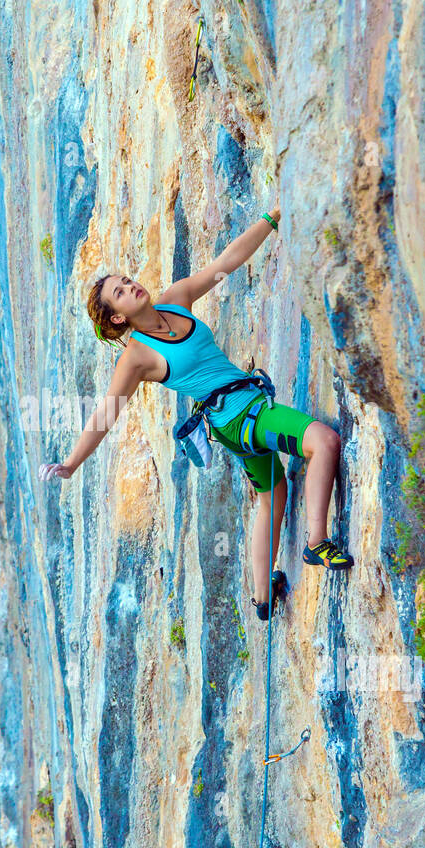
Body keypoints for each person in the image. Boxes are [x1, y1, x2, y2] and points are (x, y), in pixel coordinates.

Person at [38, 208, 353, 620]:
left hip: (234, 419)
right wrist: (71, 463)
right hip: (243, 417)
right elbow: (106, 412)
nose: (130, 286)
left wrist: (273, 218)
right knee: (323, 441)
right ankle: (316, 541)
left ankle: (261, 598)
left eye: (126, 280)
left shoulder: (176, 299)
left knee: (272, 496)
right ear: (118, 317)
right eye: (120, 292)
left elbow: (226, 263)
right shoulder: (137, 357)